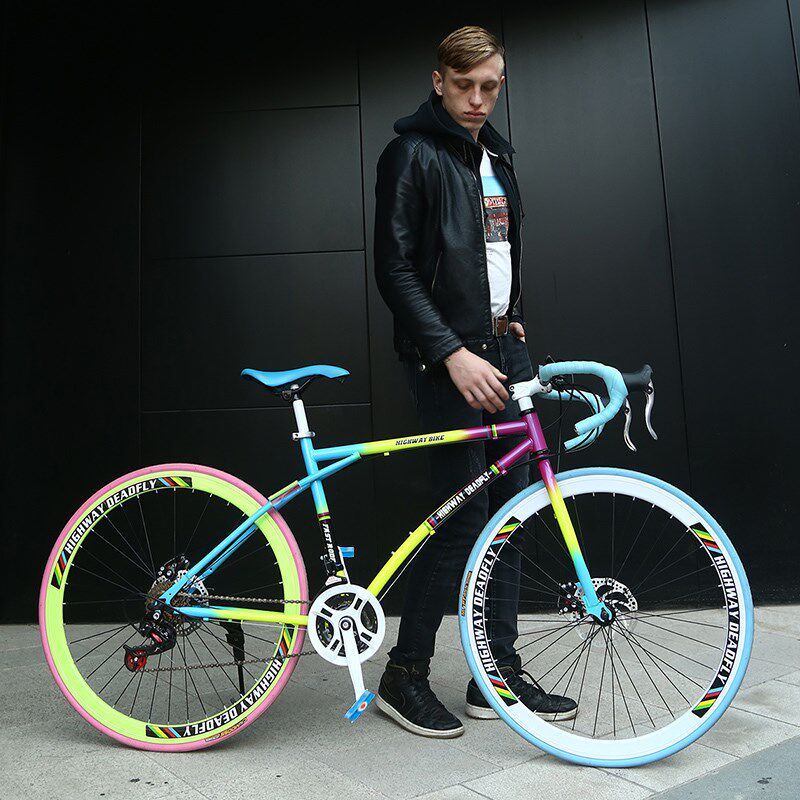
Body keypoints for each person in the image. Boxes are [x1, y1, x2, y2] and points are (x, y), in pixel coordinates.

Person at [373, 25, 578, 738]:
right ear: (439, 82)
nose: (478, 99)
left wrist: (511, 316)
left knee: (511, 516)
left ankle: (496, 674)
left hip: (502, 350)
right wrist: (450, 353)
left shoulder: (497, 158)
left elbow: (497, 250)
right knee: (460, 517)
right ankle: (405, 674)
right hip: (450, 360)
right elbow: (394, 268)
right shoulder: (411, 153)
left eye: (490, 86)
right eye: (464, 85)